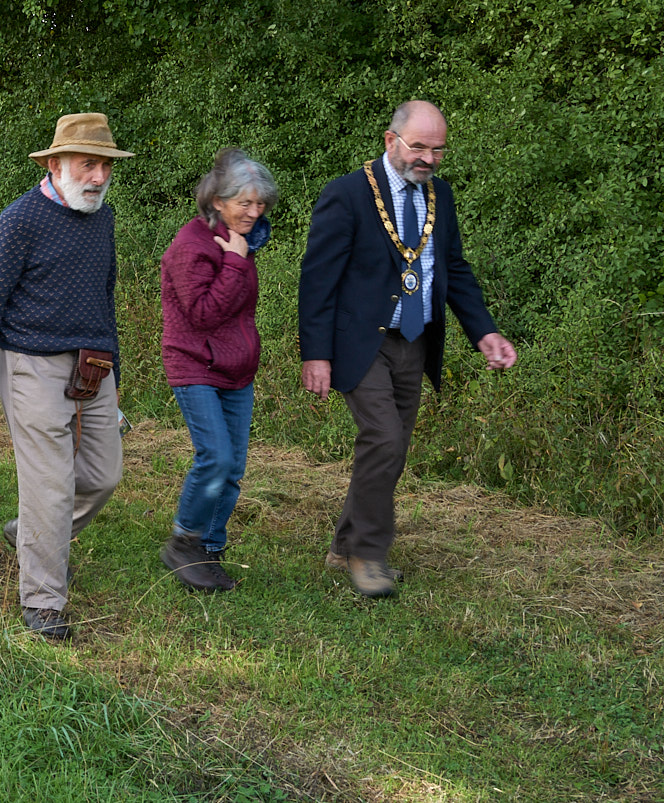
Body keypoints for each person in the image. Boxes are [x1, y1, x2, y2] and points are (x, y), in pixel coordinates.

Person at [298, 100, 517, 598]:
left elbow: (453, 270)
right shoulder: (348, 194)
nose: (429, 158)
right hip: (359, 344)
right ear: (390, 140)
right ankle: (368, 556)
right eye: (419, 146)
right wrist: (315, 353)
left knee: (389, 451)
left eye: (438, 150)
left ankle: (343, 544)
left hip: (414, 343)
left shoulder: (441, 195)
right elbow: (317, 280)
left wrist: (484, 330)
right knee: (384, 440)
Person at [0, 113, 133, 641]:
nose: (99, 177)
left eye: (105, 165)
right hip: (28, 364)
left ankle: (31, 535)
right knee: (50, 485)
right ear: (56, 164)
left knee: (103, 476)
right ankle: (43, 600)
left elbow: (104, 301)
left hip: (93, 367)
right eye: (88, 164)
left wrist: (115, 381)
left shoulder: (101, 219)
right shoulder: (19, 221)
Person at [158, 148, 279, 592]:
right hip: (195, 365)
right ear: (217, 202)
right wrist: (234, 261)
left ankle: (208, 549)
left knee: (232, 469)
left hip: (235, 370)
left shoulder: (235, 239)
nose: (255, 211)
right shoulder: (191, 247)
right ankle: (182, 542)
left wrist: (237, 255)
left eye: (260, 203)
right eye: (244, 203)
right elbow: (204, 314)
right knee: (216, 458)